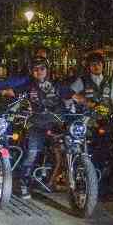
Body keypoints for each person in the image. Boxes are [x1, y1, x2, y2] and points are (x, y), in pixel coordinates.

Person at [7, 56, 76, 199]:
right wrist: (0, 91)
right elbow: (12, 93)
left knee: (72, 147)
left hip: (58, 123)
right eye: (35, 69)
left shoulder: (57, 85)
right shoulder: (28, 86)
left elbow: (75, 96)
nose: (39, 71)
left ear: (47, 70)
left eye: (42, 68)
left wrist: (92, 105)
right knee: (32, 153)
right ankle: (22, 183)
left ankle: (70, 179)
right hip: (37, 124)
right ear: (32, 72)